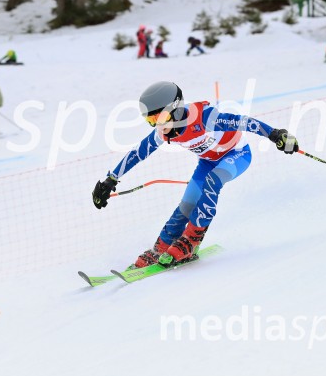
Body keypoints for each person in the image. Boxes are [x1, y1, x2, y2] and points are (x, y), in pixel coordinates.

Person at [91, 81, 298, 269]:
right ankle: (162, 246)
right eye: (151, 120)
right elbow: (138, 153)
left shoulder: (205, 117)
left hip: (236, 154)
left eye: (161, 117)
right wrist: (110, 179)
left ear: (177, 108)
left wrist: (275, 134)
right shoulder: (164, 131)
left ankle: (191, 241)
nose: (159, 125)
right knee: (188, 202)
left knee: (212, 183)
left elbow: (243, 121)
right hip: (208, 161)